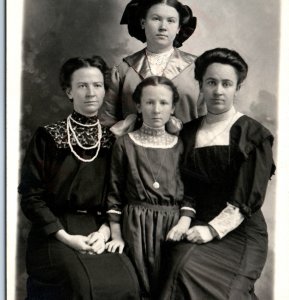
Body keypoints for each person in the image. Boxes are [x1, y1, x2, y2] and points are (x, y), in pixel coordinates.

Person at [18, 56, 140, 300]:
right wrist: (66, 237)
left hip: (97, 229)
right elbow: (31, 198)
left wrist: (105, 232)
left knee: (128, 284)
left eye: (97, 85)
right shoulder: (48, 136)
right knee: (81, 285)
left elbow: (120, 195)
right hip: (54, 232)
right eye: (82, 86)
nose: (91, 92)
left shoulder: (112, 140)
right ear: (69, 92)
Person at [159, 48, 276, 300]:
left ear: (238, 88)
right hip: (195, 222)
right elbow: (184, 187)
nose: (218, 91)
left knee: (221, 289)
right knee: (178, 269)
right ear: (201, 85)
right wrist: (186, 221)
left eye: (227, 84)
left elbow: (247, 200)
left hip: (240, 231)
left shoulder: (252, 135)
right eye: (211, 82)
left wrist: (212, 230)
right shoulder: (187, 132)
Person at [105, 76, 196, 299]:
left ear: (173, 107)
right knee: (137, 289)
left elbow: (190, 194)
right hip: (134, 226)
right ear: (138, 105)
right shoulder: (125, 144)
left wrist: (184, 223)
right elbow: (114, 194)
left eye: (164, 103)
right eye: (149, 102)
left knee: (171, 289)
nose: (156, 110)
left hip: (172, 227)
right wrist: (116, 236)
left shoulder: (181, 145)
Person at [100, 0, 205, 136]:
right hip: (135, 154)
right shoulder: (124, 70)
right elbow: (108, 121)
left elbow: (209, 121)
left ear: (179, 27)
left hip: (187, 154)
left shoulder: (199, 68)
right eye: (156, 19)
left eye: (171, 21)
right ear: (143, 23)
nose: (163, 27)